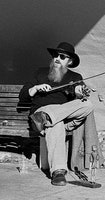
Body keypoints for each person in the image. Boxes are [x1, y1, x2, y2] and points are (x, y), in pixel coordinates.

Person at [19, 42, 97, 186]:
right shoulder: (40, 72)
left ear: (70, 61)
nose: (57, 59)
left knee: (88, 104)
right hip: (39, 119)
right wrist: (36, 88)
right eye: (56, 55)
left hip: (59, 119)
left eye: (62, 57)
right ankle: (58, 172)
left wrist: (79, 91)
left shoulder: (75, 76)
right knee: (55, 124)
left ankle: (49, 116)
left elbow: (79, 91)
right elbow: (23, 96)